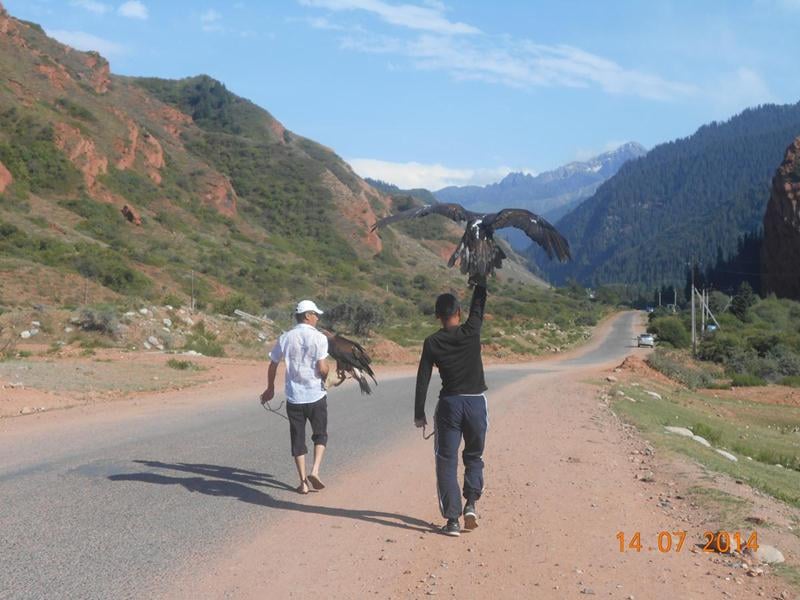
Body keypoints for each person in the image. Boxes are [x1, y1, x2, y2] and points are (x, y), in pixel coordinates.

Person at [414, 275, 488, 537]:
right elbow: (479, 306)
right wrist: (481, 282)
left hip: (449, 406)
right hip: (476, 403)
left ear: (438, 316)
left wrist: (419, 412)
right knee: (474, 455)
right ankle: (471, 503)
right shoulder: (472, 331)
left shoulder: (432, 342)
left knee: (446, 461)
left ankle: (453, 520)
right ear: (458, 312)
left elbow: (423, 377)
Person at [261, 300, 330, 495]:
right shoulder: (320, 338)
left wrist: (270, 388)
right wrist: (327, 374)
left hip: (294, 397)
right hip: (316, 394)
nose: (317, 318)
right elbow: (322, 368)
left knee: (297, 439)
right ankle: (315, 470)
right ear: (307, 315)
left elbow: (273, 364)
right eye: (315, 314)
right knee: (320, 434)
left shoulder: (285, 337)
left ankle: (303, 483)